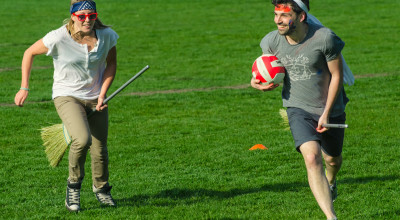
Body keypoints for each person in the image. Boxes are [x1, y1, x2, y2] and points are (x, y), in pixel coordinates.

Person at [14, 0, 118, 212]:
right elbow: (28, 53)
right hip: (66, 95)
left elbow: (112, 63)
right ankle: (73, 187)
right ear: (73, 16)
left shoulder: (107, 36)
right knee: (82, 139)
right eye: (82, 16)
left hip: (96, 97)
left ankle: (101, 189)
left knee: (100, 150)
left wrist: (103, 93)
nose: (87, 20)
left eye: (91, 15)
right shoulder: (58, 37)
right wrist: (24, 87)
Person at [251, 0, 349, 219]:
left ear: (301, 17)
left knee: (332, 160)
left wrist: (325, 113)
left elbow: (337, 76)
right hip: (297, 107)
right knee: (312, 158)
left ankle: (331, 181)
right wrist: (255, 82)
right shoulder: (270, 41)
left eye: (284, 15)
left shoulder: (324, 38)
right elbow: (263, 68)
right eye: (276, 14)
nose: (278, 20)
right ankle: (331, 217)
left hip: (330, 109)